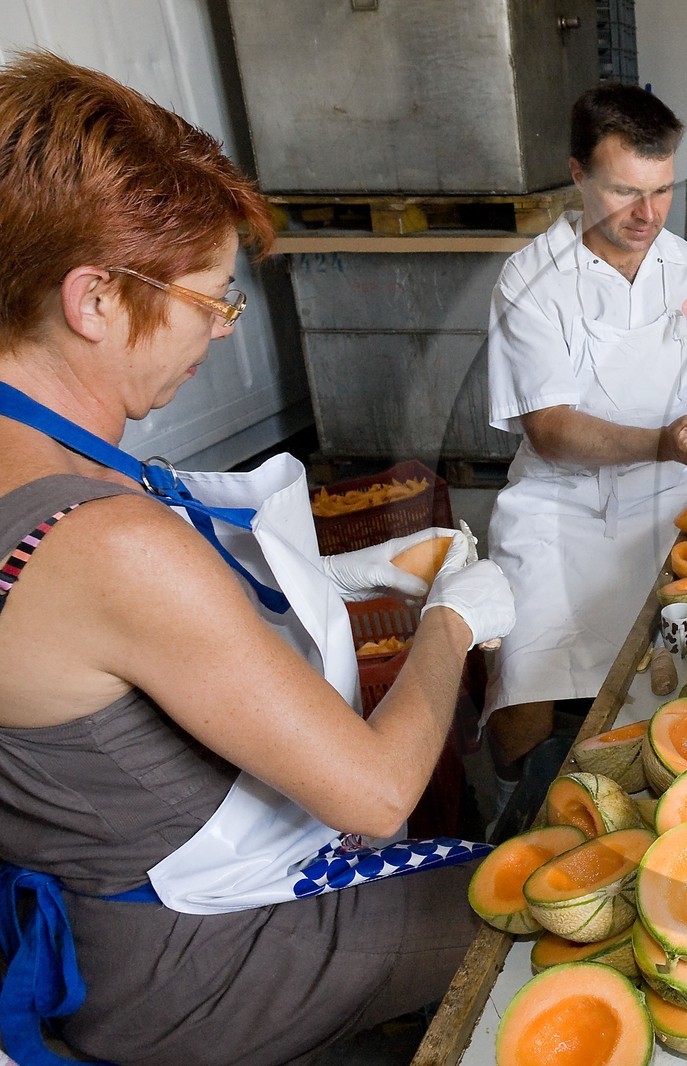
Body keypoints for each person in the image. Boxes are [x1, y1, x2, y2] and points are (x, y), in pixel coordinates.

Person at [0, 53, 516, 1064]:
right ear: (94, 298)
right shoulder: (106, 543)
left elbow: (119, 647)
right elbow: (372, 794)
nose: (218, 330)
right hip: (196, 960)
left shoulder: (36, 463)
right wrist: (456, 617)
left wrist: (343, 575)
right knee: (550, 900)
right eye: (212, 299)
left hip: (104, 921)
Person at [484, 84, 687, 820]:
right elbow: (549, 427)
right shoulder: (531, 282)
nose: (646, 215)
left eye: (662, 191)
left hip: (679, 510)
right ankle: (515, 806)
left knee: (685, 678)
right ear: (577, 174)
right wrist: (663, 442)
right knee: (525, 685)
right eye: (623, 191)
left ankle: (649, 795)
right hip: (560, 507)